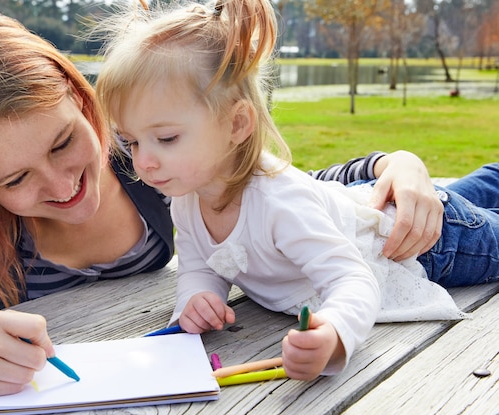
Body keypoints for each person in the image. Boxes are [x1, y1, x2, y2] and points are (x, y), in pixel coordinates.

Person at [0, 10, 474, 399]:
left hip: (390, 234)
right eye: (14, 180)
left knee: (472, 206)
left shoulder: (138, 154)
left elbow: (267, 186)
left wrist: (389, 165)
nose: (62, 185)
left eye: (64, 142)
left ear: (83, 103)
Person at [94, 0, 499, 381]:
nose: (143, 160)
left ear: (236, 124)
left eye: (165, 138)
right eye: (131, 142)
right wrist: (196, 299)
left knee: (475, 220)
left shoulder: (277, 202)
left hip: (426, 240)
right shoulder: (187, 194)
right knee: (475, 191)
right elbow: (201, 265)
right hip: (362, 201)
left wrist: (335, 334)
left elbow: (353, 281)